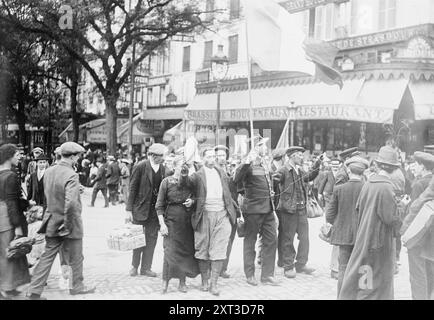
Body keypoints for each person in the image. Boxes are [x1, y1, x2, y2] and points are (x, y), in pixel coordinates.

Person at [27, 142, 95, 300]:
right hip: (69, 223)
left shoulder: (49, 171)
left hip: (51, 220)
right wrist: (68, 222)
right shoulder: (72, 174)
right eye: (77, 156)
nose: (78, 159)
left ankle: (34, 290)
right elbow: (70, 203)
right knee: (76, 256)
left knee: (47, 256)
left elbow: (50, 196)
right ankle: (76, 286)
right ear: (72, 157)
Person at [339, 146, 402, 300]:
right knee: (377, 285)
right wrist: (402, 207)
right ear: (393, 168)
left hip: (364, 238)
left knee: (365, 283)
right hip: (379, 244)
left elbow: (358, 209)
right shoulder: (386, 187)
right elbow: (391, 219)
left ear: (378, 165)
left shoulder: (368, 183)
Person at [180, 147, 237, 296]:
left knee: (219, 249)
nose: (213, 159)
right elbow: (186, 183)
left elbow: (229, 193)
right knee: (203, 248)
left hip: (222, 215)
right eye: (209, 157)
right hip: (204, 215)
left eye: (214, 156)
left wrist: (238, 213)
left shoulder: (222, 173)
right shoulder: (197, 175)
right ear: (203, 159)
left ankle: (214, 284)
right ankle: (204, 281)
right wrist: (185, 169)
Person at [233, 136, 278, 286]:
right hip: (252, 210)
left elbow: (266, 182)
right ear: (256, 147)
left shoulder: (264, 162)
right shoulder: (247, 163)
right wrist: (247, 162)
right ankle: (250, 274)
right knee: (250, 242)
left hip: (268, 209)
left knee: (271, 240)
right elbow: (237, 178)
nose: (266, 148)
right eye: (263, 146)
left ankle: (267, 275)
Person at [274, 146, 321, 279]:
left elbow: (310, 176)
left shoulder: (299, 171)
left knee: (304, 238)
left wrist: (318, 163)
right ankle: (288, 266)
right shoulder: (283, 170)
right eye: (300, 155)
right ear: (292, 156)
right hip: (288, 211)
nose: (302, 157)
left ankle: (301, 264)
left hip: (301, 210)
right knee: (288, 239)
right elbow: (274, 181)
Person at [325, 155, 369, 297]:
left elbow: (329, 215)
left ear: (349, 172)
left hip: (343, 235)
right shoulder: (368, 189)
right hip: (362, 235)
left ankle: (342, 297)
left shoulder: (339, 189)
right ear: (363, 173)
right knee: (363, 267)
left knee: (343, 268)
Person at [156, 155, 199, 294]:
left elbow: (196, 195)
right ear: (174, 166)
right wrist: (162, 225)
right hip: (171, 221)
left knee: (185, 251)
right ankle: (165, 282)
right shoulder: (166, 182)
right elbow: (159, 205)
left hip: (186, 222)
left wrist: (192, 201)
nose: (183, 168)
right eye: (181, 165)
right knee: (169, 251)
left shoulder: (189, 182)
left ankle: (182, 282)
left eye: (185, 165)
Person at [126, 143, 167, 278]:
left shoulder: (163, 169)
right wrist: (128, 210)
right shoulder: (140, 166)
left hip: (154, 212)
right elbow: (132, 189)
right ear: (154, 156)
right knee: (138, 239)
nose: (163, 159)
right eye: (161, 156)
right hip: (140, 209)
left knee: (151, 240)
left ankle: (146, 267)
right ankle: (134, 266)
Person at [400, 151, 434, 299]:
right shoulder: (430, 181)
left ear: (423, 167)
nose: (414, 167)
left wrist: (405, 231)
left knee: (417, 274)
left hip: (418, 234)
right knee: (429, 272)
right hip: (430, 236)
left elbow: (414, 212)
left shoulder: (420, 184)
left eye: (416, 164)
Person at [0, 144, 31, 300]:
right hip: (6, 218)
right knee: (9, 253)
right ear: (9, 156)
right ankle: (6, 287)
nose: (20, 157)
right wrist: (18, 226)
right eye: (17, 154)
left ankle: (8, 287)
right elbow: (12, 203)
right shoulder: (11, 176)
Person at [215, 145, 239, 279]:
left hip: (232, 209)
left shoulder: (229, 170)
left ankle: (223, 267)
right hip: (221, 208)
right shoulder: (214, 170)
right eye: (218, 155)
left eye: (223, 155)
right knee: (220, 240)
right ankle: (217, 268)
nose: (221, 158)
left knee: (230, 239)